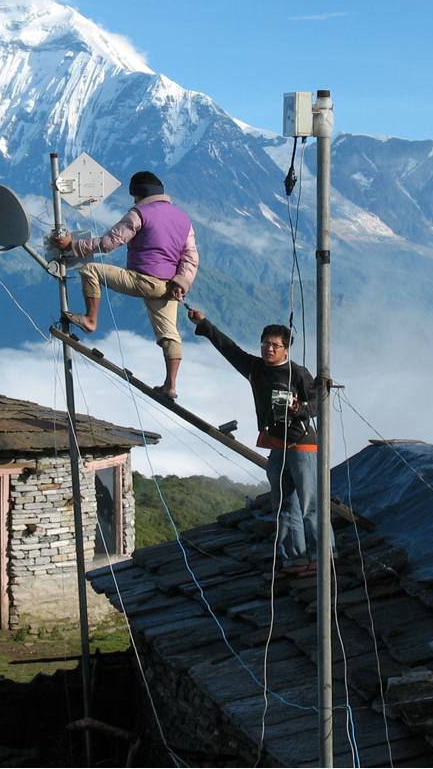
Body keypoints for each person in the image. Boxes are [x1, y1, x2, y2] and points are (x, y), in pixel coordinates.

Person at [185, 308, 329, 576]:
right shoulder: (255, 369)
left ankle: (323, 557)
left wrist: (299, 409)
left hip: (303, 447)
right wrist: (203, 323)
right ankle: (295, 560)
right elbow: (229, 348)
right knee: (284, 506)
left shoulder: (297, 373)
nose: (268, 349)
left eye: (275, 345)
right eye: (265, 344)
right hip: (276, 446)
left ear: (286, 350)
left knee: (310, 505)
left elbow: (318, 404)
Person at [49, 170, 198, 399]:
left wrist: (73, 245)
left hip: (143, 279)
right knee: (169, 334)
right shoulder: (183, 219)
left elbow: (108, 243)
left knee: (90, 270)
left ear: (137, 195)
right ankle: (171, 386)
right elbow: (190, 257)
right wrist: (182, 282)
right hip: (169, 286)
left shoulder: (139, 213)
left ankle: (90, 319)